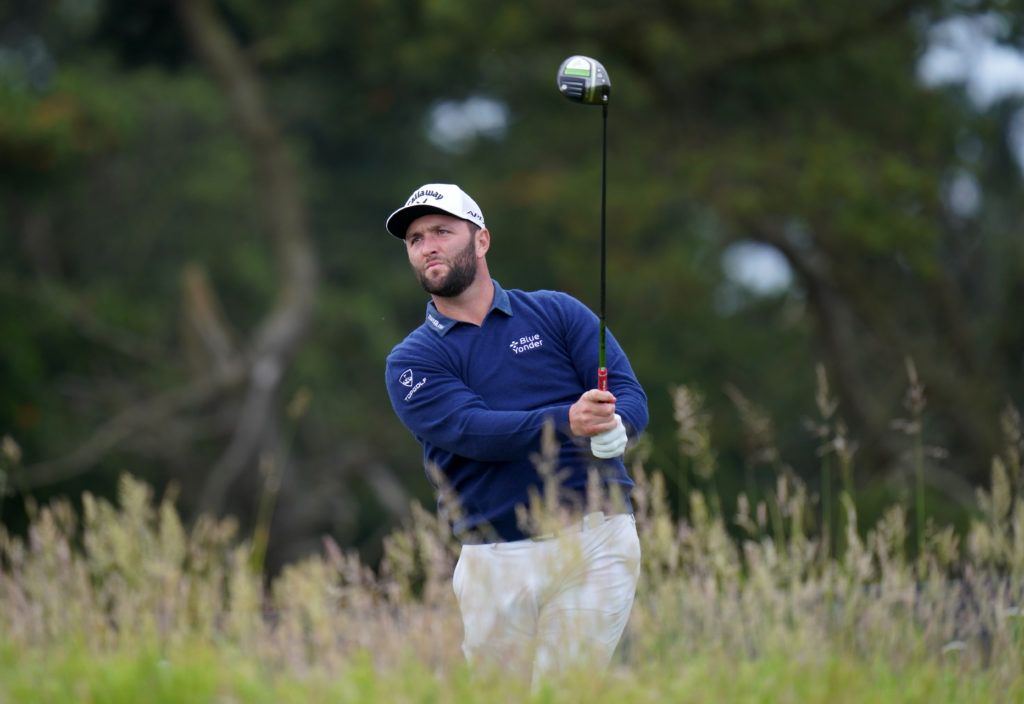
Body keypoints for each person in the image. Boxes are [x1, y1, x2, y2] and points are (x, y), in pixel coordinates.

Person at [382, 183, 649, 685]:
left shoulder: (556, 312)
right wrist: (567, 422)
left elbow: (628, 393)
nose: (428, 245)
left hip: (596, 540)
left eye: (442, 230)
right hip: (494, 556)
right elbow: (472, 429)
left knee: (561, 691)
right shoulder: (412, 359)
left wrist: (619, 424)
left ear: (481, 240)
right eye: (416, 239)